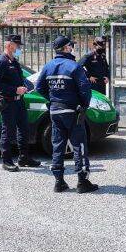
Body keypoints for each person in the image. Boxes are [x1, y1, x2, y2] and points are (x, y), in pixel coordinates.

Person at [36, 36, 98, 194]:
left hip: (55, 111)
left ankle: (59, 182)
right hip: (72, 111)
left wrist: (52, 100)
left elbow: (39, 88)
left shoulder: (48, 66)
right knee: (79, 145)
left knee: (58, 146)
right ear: (65, 48)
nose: (72, 48)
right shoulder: (74, 67)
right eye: (70, 45)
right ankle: (82, 181)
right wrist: (84, 105)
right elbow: (85, 90)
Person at [0, 34, 41, 172]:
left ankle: (24, 158)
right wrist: (15, 90)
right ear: (9, 45)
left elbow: (19, 80)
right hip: (8, 102)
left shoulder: (14, 61)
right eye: (17, 45)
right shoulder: (1, 62)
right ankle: (6, 161)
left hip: (19, 102)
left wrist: (27, 87)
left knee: (24, 130)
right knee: (7, 131)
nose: (19, 48)